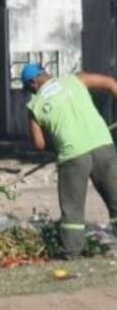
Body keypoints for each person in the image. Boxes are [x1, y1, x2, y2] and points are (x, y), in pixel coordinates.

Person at [22, 63, 117, 257]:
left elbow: (39, 144)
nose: (30, 93)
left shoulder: (34, 106)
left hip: (73, 156)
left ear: (33, 83)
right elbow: (110, 83)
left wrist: (56, 144)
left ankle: (72, 252)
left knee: (73, 209)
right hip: (103, 146)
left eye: (28, 89)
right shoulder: (75, 79)